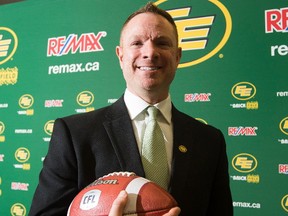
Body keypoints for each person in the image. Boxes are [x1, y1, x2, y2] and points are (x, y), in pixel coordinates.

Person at [29, 2, 233, 215]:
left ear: (177, 56)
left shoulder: (210, 141)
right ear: (120, 56)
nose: (150, 52)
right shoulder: (74, 134)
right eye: (137, 43)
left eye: (162, 43)